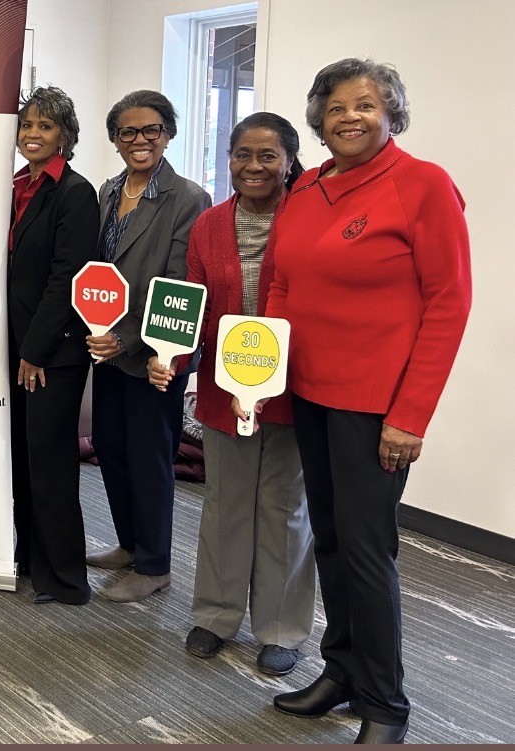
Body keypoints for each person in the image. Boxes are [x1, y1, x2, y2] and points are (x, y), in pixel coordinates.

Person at [262, 59, 471, 744]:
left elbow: (448, 304)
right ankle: (343, 672)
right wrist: (262, 372)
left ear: (390, 113)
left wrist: (410, 417)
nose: (350, 116)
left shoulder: (423, 185)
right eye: (336, 107)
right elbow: (283, 285)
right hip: (310, 394)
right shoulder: (308, 187)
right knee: (329, 538)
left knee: (366, 551)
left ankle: (385, 704)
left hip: (375, 408)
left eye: (366, 104)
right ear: (319, 120)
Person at [147, 112, 315, 676]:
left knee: (284, 508)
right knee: (224, 506)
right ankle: (216, 616)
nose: (254, 166)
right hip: (224, 389)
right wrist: (170, 357)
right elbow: (191, 302)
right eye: (243, 154)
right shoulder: (210, 225)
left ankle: (281, 627)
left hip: (293, 388)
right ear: (229, 159)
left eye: (268, 156)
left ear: (289, 162)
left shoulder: (309, 219)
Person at [85, 90, 211, 603]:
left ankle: (155, 564)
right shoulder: (108, 191)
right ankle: (130, 544)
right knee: (110, 446)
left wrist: (127, 338)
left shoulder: (188, 198)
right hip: (106, 347)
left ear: (168, 134)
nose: (140, 140)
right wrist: (98, 328)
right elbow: (98, 270)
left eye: (151, 130)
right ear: (115, 140)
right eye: (128, 132)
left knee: (150, 456)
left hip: (156, 352)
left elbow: (178, 282)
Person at [7, 87, 100, 605]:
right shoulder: (18, 185)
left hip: (51, 354)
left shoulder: (75, 192)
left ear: (64, 135)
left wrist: (35, 350)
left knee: (51, 465)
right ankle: (29, 559)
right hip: (19, 347)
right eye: (27, 125)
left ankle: (66, 579)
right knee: (22, 460)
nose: (33, 134)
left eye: (44, 126)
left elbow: (68, 278)